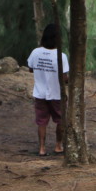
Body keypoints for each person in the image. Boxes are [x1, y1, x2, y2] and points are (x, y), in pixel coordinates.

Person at [27, 24, 69, 156]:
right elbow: (65, 77)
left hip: (40, 93)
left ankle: (42, 148)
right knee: (61, 120)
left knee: (41, 121)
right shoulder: (61, 56)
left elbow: (30, 68)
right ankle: (58, 145)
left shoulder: (35, 52)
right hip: (56, 94)